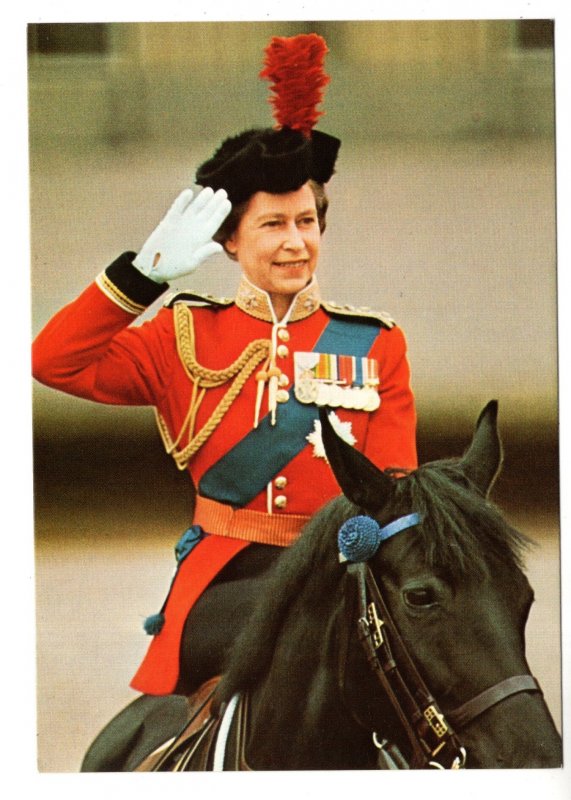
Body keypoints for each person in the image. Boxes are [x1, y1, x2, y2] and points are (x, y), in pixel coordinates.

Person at [32, 33, 417, 768]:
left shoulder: (378, 344)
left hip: (340, 575)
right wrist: (142, 277)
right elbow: (52, 361)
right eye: (273, 224)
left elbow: (393, 485)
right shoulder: (183, 335)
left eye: (307, 222)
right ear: (230, 242)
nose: (295, 242)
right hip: (226, 583)